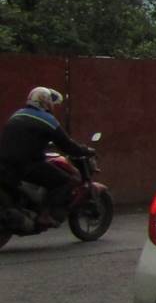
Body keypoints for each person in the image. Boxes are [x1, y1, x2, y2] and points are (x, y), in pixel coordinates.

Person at [0, 87, 91, 226]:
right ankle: (45, 215)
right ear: (46, 102)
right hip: (27, 166)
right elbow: (67, 145)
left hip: (4, 164)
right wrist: (84, 150)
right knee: (65, 182)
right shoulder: (47, 120)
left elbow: (25, 140)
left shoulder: (17, 114)